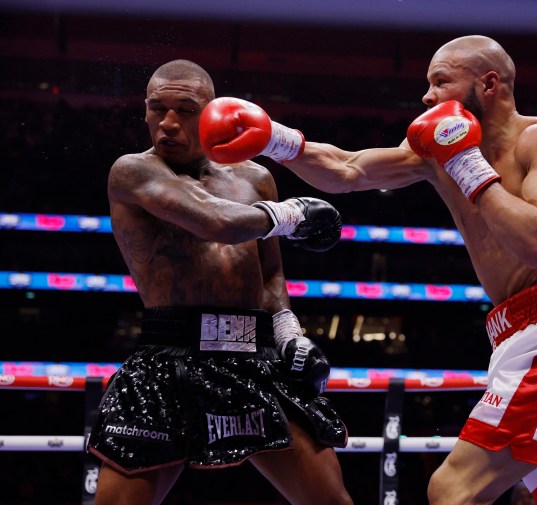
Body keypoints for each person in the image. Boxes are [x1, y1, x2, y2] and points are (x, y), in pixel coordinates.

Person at [200, 34, 537, 505]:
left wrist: (466, 162)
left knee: (452, 489)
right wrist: (275, 138)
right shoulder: (436, 154)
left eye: (440, 82)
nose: (427, 96)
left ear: (489, 83)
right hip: (521, 332)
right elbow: (350, 169)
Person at [86, 59, 354, 505]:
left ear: (211, 112)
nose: (167, 123)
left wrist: (289, 332)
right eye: (157, 109)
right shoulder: (133, 171)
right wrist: (293, 215)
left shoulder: (256, 177)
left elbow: (269, 271)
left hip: (254, 355)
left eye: (185, 110)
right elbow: (214, 221)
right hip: (170, 357)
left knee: (330, 500)